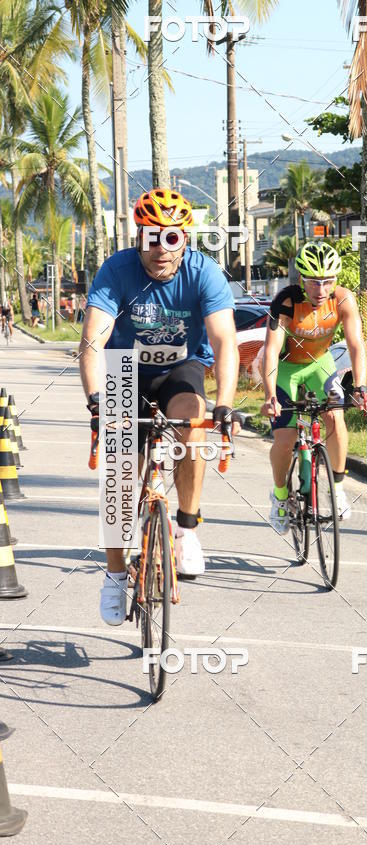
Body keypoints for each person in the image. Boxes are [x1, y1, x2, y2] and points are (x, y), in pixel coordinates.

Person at [79, 187, 240, 626]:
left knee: (195, 420)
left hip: (180, 368)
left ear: (185, 239)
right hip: (123, 367)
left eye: (172, 239)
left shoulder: (204, 273)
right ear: (139, 237)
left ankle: (186, 529)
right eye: (152, 238)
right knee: (119, 473)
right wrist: (97, 400)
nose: (161, 250)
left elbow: (225, 341)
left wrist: (224, 403)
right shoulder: (117, 271)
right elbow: (93, 340)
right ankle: (114, 576)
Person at [261, 241, 367, 533]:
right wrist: (270, 395)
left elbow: (356, 344)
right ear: (302, 280)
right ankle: (280, 496)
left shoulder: (344, 300)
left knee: (335, 415)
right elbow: (271, 350)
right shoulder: (286, 301)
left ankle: (337, 488)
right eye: (313, 282)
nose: (320, 290)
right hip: (285, 368)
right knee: (284, 439)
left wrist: (360, 386)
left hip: (318, 364)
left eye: (326, 282)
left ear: (335, 281)